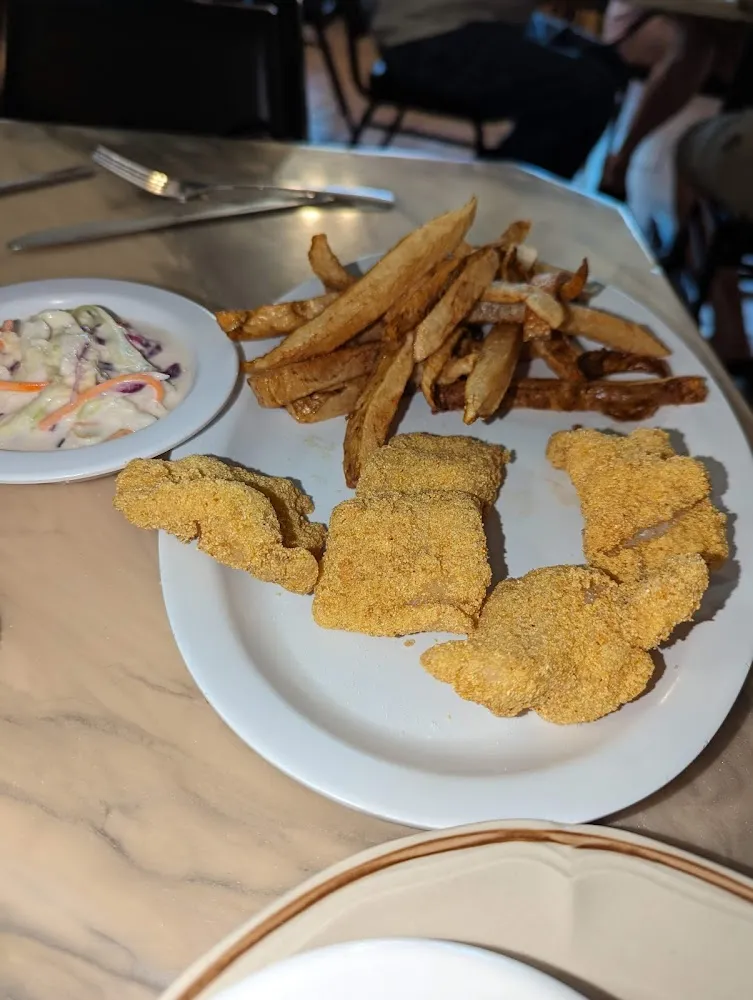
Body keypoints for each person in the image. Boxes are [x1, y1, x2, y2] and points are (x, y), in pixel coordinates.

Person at [371, 0, 625, 180]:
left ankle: (517, 183)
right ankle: (511, 198)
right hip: (422, 33)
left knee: (605, 64)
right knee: (588, 89)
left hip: (470, 19)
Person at [600, 2, 745, 200]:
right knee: (698, 45)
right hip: (643, 19)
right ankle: (623, 160)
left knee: (714, 45)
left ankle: (703, 204)